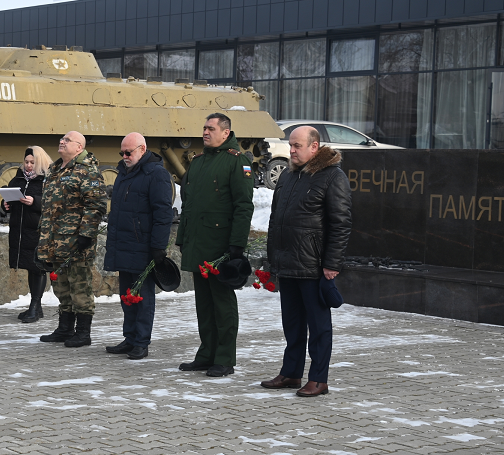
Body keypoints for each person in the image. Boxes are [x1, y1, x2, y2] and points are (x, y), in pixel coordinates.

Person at [262, 126, 352, 397]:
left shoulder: (332, 176)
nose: (291, 151)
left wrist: (332, 263)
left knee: (319, 325)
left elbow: (341, 223)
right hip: (288, 262)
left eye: (297, 146)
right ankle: (291, 373)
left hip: (314, 266)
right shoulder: (289, 176)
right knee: (292, 323)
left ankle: (319, 379)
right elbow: (276, 220)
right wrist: (272, 260)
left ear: (314, 147)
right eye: (290, 145)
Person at [175, 113, 255, 377]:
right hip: (198, 243)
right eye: (204, 128)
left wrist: (236, 247)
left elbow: (243, 206)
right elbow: (188, 206)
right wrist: (182, 238)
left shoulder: (236, 161)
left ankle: (224, 358)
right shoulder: (198, 162)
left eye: (211, 128)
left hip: (220, 247)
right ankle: (206, 354)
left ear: (226, 132)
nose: (205, 132)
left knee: (222, 304)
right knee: (204, 305)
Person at [103, 132, 174, 360]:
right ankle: (130, 338)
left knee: (143, 297)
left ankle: (141, 342)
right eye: (122, 152)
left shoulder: (156, 174)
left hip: (143, 246)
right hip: (124, 244)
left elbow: (163, 213)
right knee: (127, 295)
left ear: (142, 150)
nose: (124, 156)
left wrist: (158, 246)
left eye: (128, 152)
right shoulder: (123, 174)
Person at [38, 130, 107, 348]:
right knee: (61, 286)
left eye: (67, 140)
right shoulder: (55, 170)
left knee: (80, 286)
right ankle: (65, 328)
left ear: (79, 147)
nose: (62, 141)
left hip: (76, 240)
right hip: (55, 240)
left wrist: (86, 234)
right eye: (62, 138)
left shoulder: (87, 171)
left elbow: (95, 205)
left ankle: (83, 333)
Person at [3, 146, 50, 323]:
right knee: (31, 268)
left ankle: (34, 306)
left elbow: (53, 203)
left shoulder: (46, 180)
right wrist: (5, 204)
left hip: (37, 230)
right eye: (26, 162)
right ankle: (36, 307)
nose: (29, 165)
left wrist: (35, 201)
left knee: (37, 269)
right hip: (22, 231)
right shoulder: (18, 178)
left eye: (32, 162)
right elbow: (9, 197)